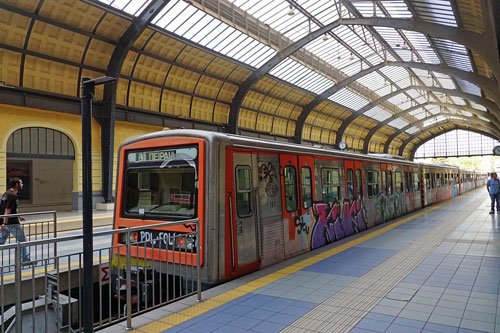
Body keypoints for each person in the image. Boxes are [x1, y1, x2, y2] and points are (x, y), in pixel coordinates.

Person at [0, 178, 30, 262]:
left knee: (1, 241)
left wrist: (18, 216)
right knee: (22, 240)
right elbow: (7, 209)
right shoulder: (13, 195)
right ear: (17, 184)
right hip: (11, 223)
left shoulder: (7, 193)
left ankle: (25, 259)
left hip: (6, 221)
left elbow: (11, 209)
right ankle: (25, 260)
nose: (22, 184)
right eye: (21, 183)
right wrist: (4, 224)